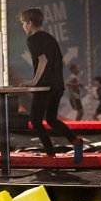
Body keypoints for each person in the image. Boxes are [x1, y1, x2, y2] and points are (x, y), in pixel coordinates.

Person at [21, 8, 84, 162]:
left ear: (30, 23)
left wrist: (34, 82)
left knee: (35, 121)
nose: (23, 27)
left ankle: (50, 152)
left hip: (45, 87)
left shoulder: (33, 39)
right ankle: (75, 140)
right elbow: (60, 62)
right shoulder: (50, 38)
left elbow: (43, 60)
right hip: (57, 86)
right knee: (51, 119)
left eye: (23, 23)